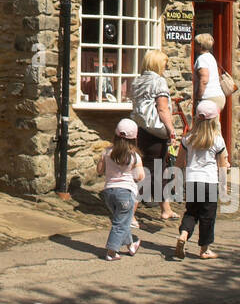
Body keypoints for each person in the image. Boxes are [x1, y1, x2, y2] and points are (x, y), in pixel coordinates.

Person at [175, 99, 229, 260]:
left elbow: (179, 162)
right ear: (214, 120)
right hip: (209, 182)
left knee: (191, 212)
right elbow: (222, 165)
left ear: (196, 118)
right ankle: (204, 249)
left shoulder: (188, 138)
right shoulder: (217, 140)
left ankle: (183, 235)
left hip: (192, 180)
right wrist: (224, 187)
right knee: (207, 216)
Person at [131, 48, 180, 220]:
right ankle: (130, 213)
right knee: (152, 171)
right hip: (156, 132)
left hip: (140, 129)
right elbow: (162, 108)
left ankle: (165, 208)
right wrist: (171, 131)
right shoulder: (159, 82)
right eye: (164, 64)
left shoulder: (137, 81)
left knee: (151, 168)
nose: (165, 68)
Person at [96, 118, 144, 261]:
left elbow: (99, 170)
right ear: (134, 138)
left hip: (109, 193)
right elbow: (140, 177)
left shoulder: (107, 152)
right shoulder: (134, 157)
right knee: (120, 223)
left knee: (122, 220)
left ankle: (131, 245)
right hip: (126, 193)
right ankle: (112, 251)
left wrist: (102, 159)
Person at [193, 33, 225, 115]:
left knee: (203, 126)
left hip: (208, 97)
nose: (194, 46)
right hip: (218, 96)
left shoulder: (202, 59)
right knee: (213, 125)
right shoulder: (210, 57)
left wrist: (198, 97)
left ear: (200, 46)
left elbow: (204, 80)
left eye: (195, 44)